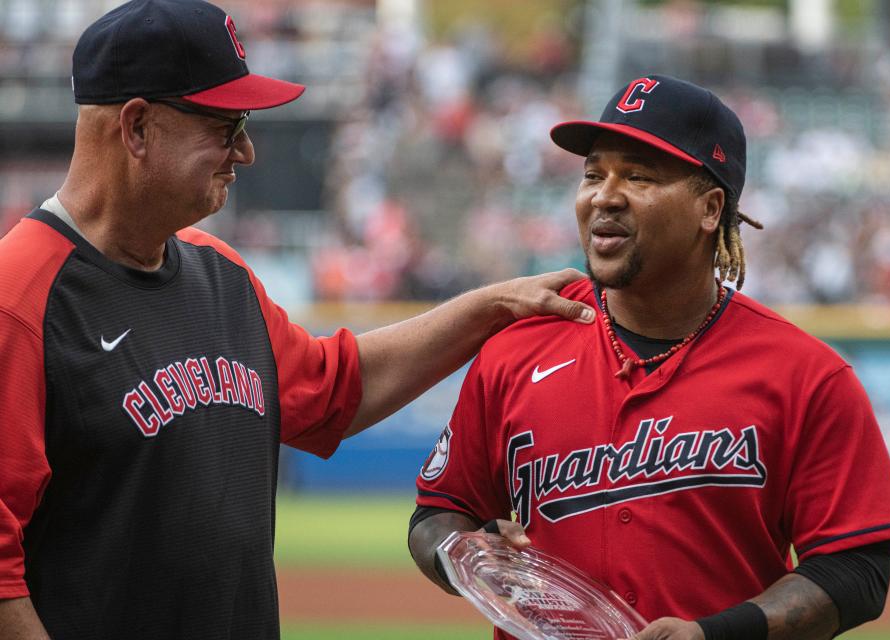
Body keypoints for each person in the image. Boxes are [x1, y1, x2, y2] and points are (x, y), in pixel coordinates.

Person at [0, 2, 597, 638]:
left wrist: (491, 307)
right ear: (138, 127)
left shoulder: (221, 274)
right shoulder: (20, 299)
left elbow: (334, 388)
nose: (247, 152)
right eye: (228, 126)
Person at [408, 74, 890, 640]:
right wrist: (462, 555)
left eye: (639, 176)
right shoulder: (515, 353)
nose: (604, 195)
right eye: (593, 174)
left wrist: (716, 634)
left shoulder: (806, 375)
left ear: (709, 208)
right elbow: (436, 513)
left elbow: (857, 571)